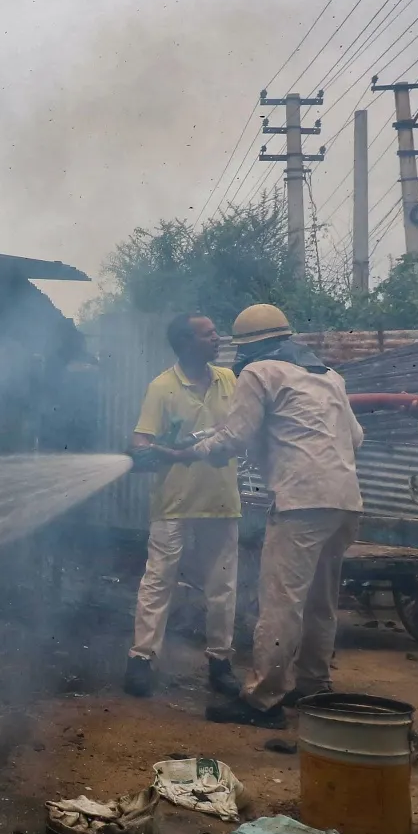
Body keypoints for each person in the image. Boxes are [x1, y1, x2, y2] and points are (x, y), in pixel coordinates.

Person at [170, 304, 365, 729]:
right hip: (345, 499)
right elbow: (356, 437)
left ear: (247, 347)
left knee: (280, 601)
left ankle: (264, 700)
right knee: (320, 600)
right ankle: (313, 684)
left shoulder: (259, 373)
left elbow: (235, 437)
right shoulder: (330, 376)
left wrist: (189, 452)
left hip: (301, 501)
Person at [124, 314, 242, 699]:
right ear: (187, 343)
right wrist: (154, 452)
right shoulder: (162, 387)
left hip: (221, 501)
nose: (217, 337)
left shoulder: (229, 380)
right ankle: (142, 659)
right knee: (159, 581)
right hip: (172, 502)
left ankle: (220, 663)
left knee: (221, 587)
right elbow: (141, 442)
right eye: (209, 334)